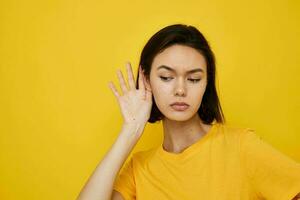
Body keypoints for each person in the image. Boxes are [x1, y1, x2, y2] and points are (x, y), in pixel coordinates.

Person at [77, 24, 300, 200]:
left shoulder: (242, 147)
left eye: (194, 79)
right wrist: (130, 131)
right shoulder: (139, 168)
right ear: (146, 80)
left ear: (206, 83)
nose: (181, 89)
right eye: (166, 77)